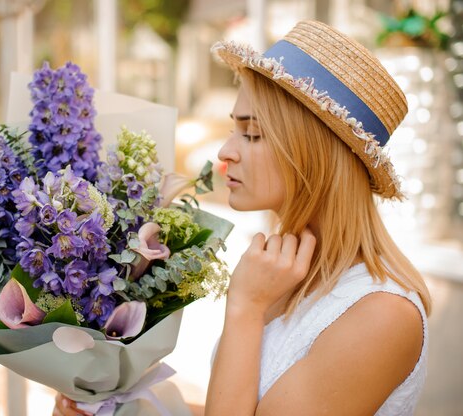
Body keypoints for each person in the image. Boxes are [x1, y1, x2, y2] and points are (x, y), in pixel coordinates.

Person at [54, 20, 431, 416]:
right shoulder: (285, 271)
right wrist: (114, 408)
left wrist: (245, 309)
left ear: (312, 154)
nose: (224, 152)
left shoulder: (381, 315)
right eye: (234, 128)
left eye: (251, 135)